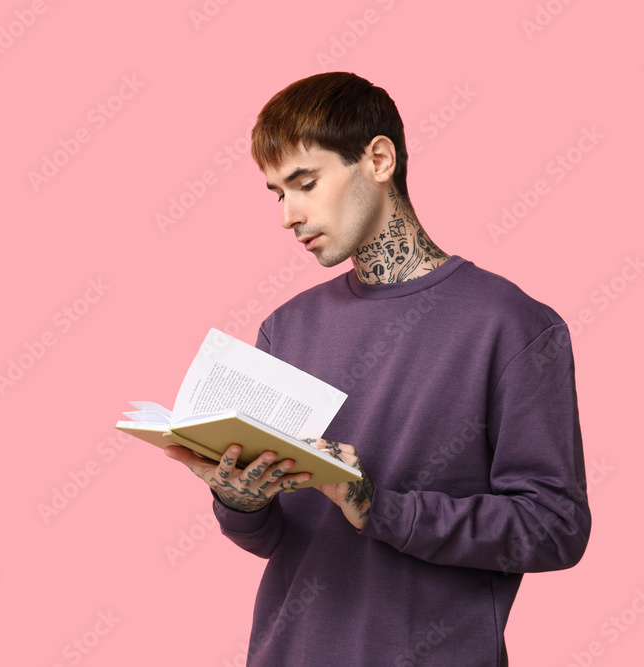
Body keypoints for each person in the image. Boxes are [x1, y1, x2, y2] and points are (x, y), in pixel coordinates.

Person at [164, 72, 591, 666]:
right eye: (276, 193)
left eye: (304, 183)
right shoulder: (286, 328)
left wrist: (378, 506)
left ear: (379, 159)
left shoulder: (512, 326)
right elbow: (277, 539)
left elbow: (554, 527)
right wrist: (240, 501)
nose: (288, 216)